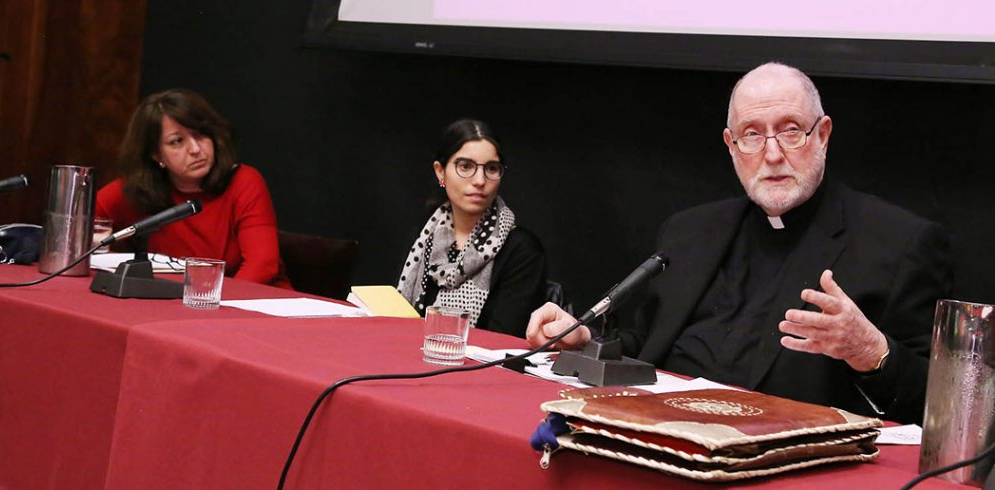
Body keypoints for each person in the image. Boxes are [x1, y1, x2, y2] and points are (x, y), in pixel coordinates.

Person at [526, 63, 951, 424]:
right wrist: (585, 341)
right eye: (751, 134)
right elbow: (649, 348)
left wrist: (872, 352)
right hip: (659, 434)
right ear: (731, 146)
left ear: (822, 135)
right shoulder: (690, 231)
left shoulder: (898, 243)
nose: (771, 154)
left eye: (790, 131)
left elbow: (942, 405)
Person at [96, 88, 290, 288]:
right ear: (156, 155)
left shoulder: (243, 181)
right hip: (174, 306)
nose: (195, 149)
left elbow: (262, 265)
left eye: (201, 135)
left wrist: (213, 306)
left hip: (253, 304)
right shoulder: (134, 192)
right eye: (177, 141)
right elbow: (72, 231)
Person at [398, 119, 547, 337]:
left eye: (491, 168)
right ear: (441, 172)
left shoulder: (522, 250)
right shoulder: (426, 234)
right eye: (465, 166)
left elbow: (504, 342)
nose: (479, 180)